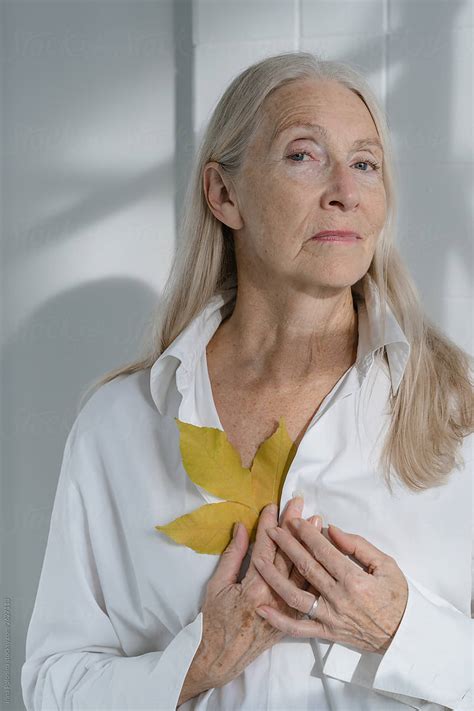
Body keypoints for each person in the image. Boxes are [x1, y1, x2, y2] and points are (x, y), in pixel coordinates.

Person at [21, 51, 473, 711]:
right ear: (223, 194)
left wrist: (403, 632)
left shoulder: (460, 408)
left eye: (366, 163)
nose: (345, 189)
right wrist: (195, 662)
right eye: (302, 155)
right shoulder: (118, 424)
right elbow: (51, 684)